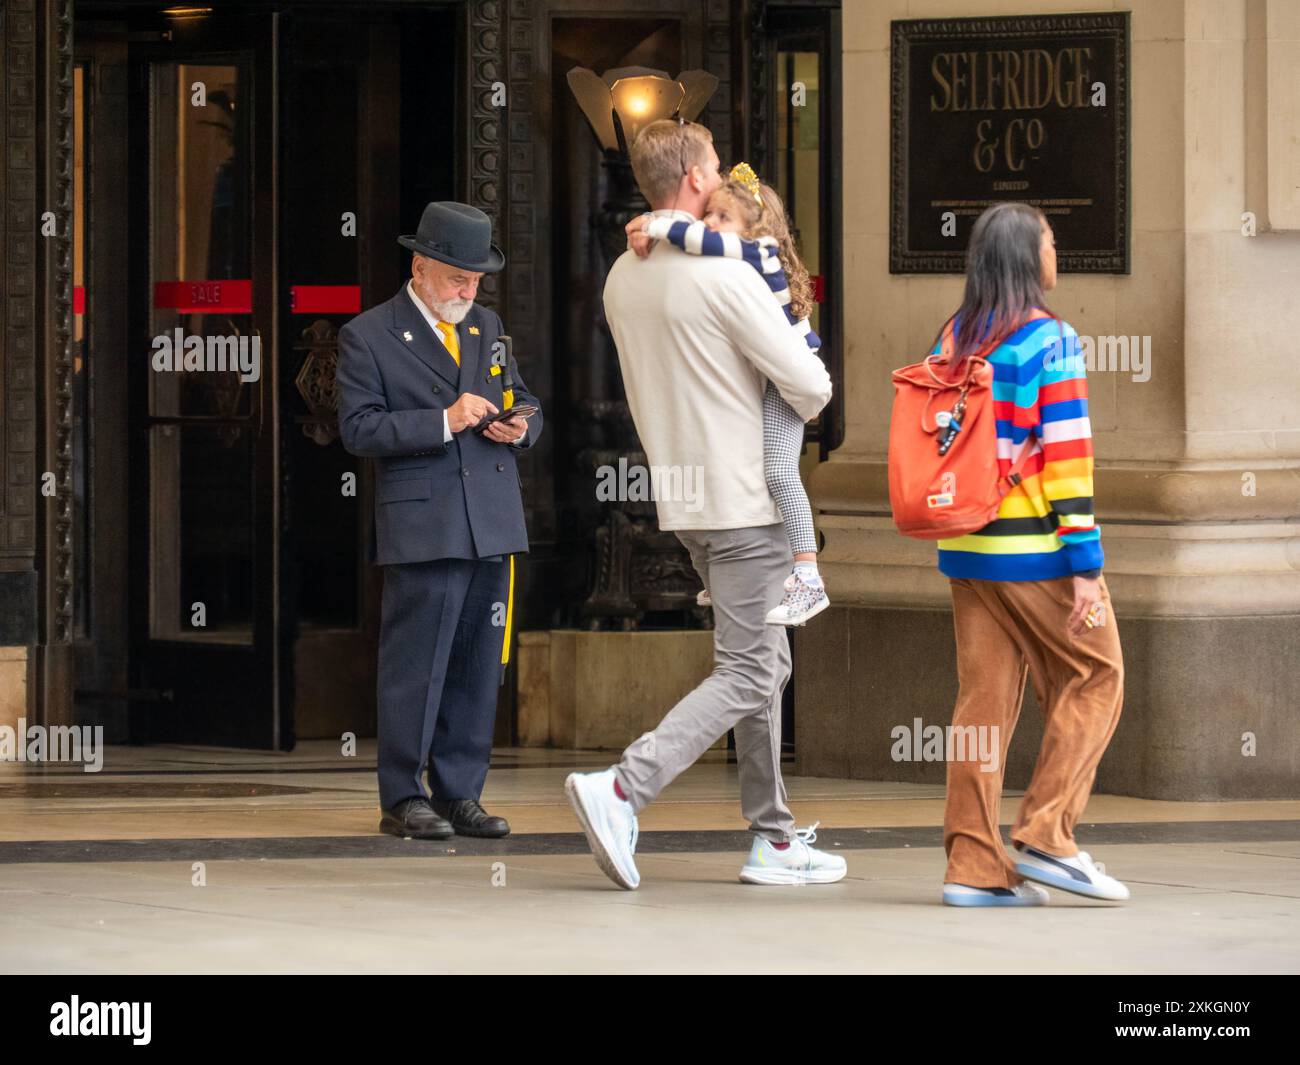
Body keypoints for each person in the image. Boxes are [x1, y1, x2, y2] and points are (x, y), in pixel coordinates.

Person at [565, 118, 842, 889]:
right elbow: (813, 386)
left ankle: (774, 837)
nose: (722, 175)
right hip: (745, 499)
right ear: (691, 178)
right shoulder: (726, 277)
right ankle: (623, 787)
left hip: (683, 504)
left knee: (763, 661)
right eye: (714, 165)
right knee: (753, 670)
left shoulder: (626, 270)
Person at [931, 202, 1129, 907]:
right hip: (1032, 549)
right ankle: (1048, 832)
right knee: (1097, 674)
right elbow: (1069, 459)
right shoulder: (1052, 340)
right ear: (1026, 257)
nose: (1057, 250)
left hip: (964, 544)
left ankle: (973, 864)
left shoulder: (954, 337)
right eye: (1050, 240)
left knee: (981, 703)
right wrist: (1087, 568)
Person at [336, 201, 542, 841]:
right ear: (420, 266)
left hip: (492, 519)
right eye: (457, 276)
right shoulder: (368, 334)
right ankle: (403, 796)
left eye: (477, 278)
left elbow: (522, 394)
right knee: (416, 665)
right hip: (425, 526)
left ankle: (461, 793)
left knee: (480, 664)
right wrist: (443, 421)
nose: (468, 290)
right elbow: (358, 428)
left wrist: (521, 424)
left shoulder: (485, 325)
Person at [625, 162, 828, 626]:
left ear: (755, 229)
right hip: (764, 386)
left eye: (722, 217)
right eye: (709, 214)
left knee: (778, 470)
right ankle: (718, 582)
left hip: (784, 383)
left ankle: (808, 574)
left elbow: (699, 240)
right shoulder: (726, 263)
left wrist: (653, 222)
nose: (710, 224)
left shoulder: (753, 255)